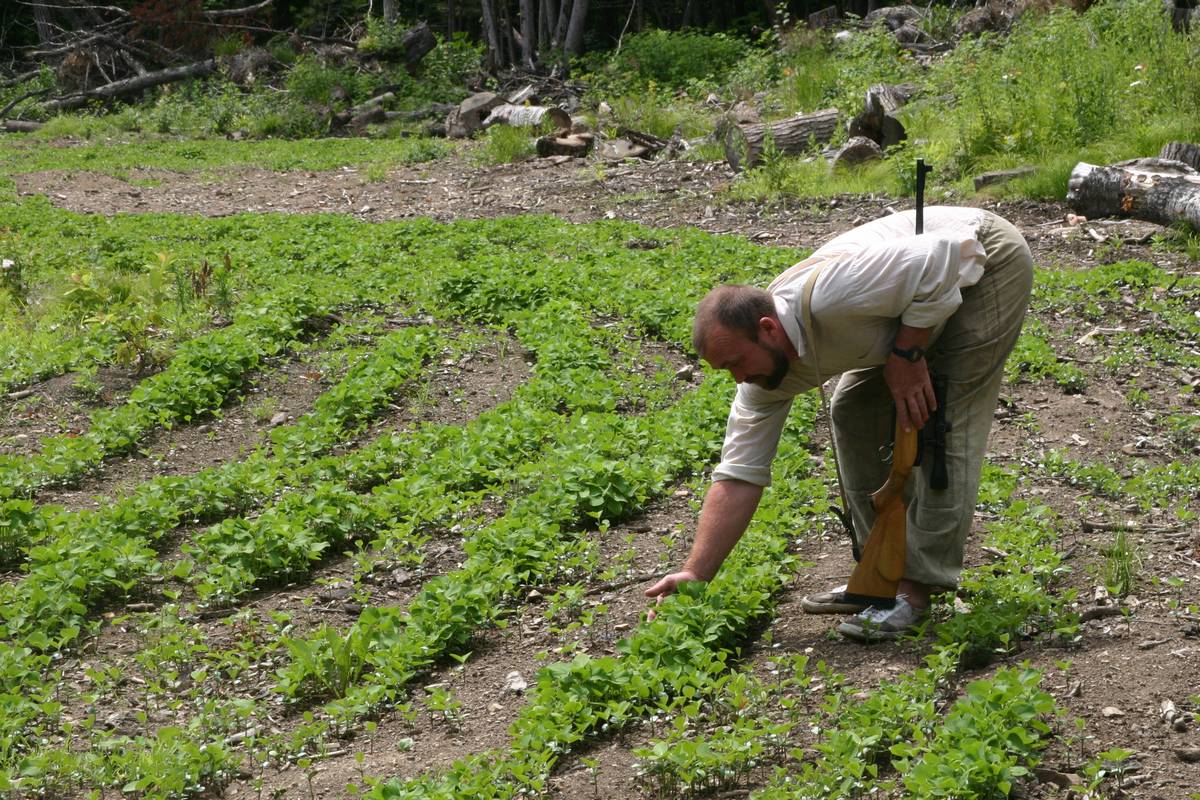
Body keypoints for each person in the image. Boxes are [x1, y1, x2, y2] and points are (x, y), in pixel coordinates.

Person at [645, 206, 1033, 641]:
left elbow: (946, 254)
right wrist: (696, 571)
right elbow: (739, 475)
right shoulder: (762, 377)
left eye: (736, 363)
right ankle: (880, 577)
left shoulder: (832, 296)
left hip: (984, 260)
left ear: (768, 329)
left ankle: (915, 592)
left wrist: (908, 356)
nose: (738, 379)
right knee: (852, 409)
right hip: (917, 300)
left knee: (942, 420)